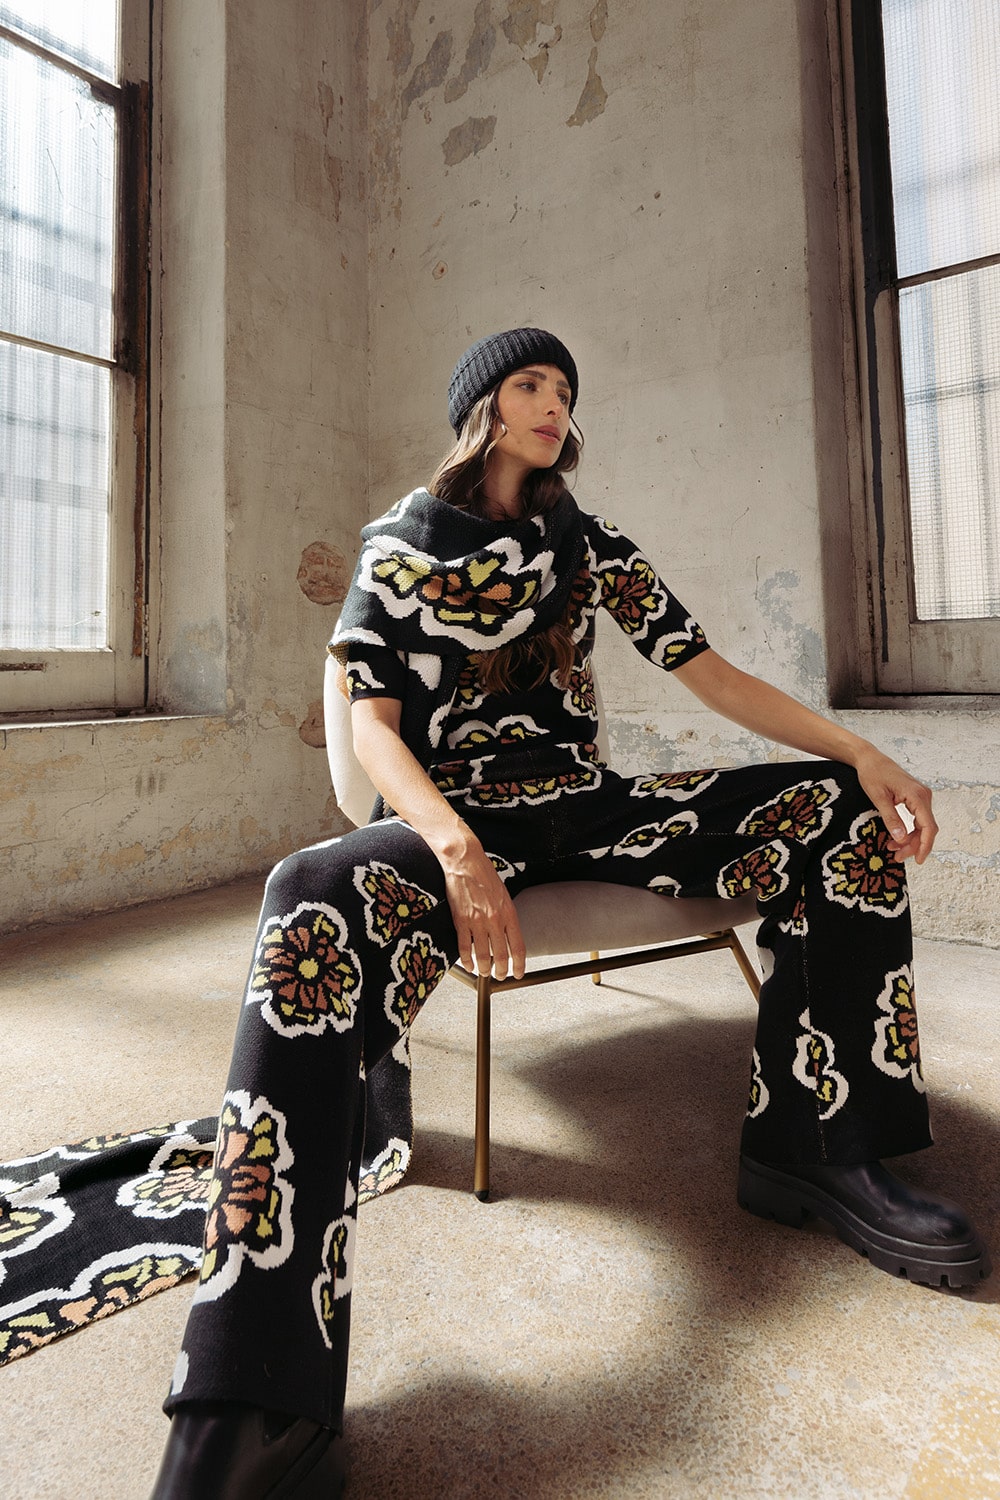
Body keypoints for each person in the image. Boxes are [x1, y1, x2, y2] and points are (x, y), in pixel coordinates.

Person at [150, 328, 989, 1497]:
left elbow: (708, 673)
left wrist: (859, 751)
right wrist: (452, 847)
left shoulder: (584, 543)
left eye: (563, 389)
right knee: (307, 891)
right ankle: (254, 1392)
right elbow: (373, 727)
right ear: (483, 409)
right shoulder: (399, 544)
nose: (554, 403)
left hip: (589, 810)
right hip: (459, 823)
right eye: (530, 384)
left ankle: (818, 1147)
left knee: (842, 811)